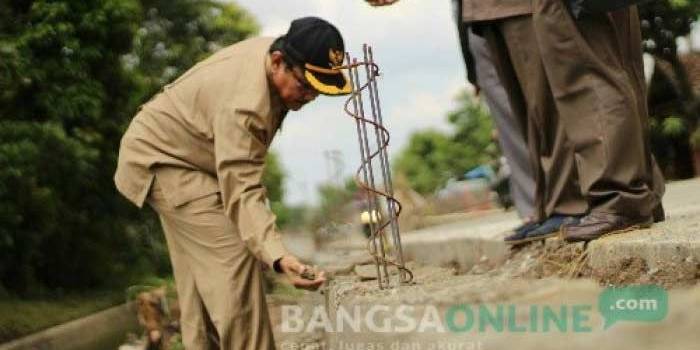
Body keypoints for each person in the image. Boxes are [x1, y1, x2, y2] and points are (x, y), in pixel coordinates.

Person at [114, 17, 350, 349]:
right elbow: (242, 188)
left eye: (319, 90)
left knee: (203, 286)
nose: (310, 96)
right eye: (305, 85)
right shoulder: (244, 105)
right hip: (166, 162)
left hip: (189, 160)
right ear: (279, 62)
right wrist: (279, 258)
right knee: (236, 265)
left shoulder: (273, 60)